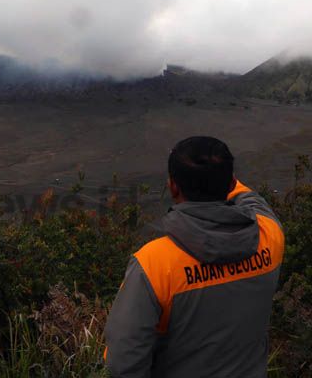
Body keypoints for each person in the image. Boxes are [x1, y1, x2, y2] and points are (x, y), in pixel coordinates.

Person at [104, 136, 285, 377]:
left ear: (173, 186)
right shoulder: (269, 236)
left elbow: (123, 363)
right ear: (231, 183)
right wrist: (216, 172)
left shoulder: (154, 264)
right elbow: (250, 199)